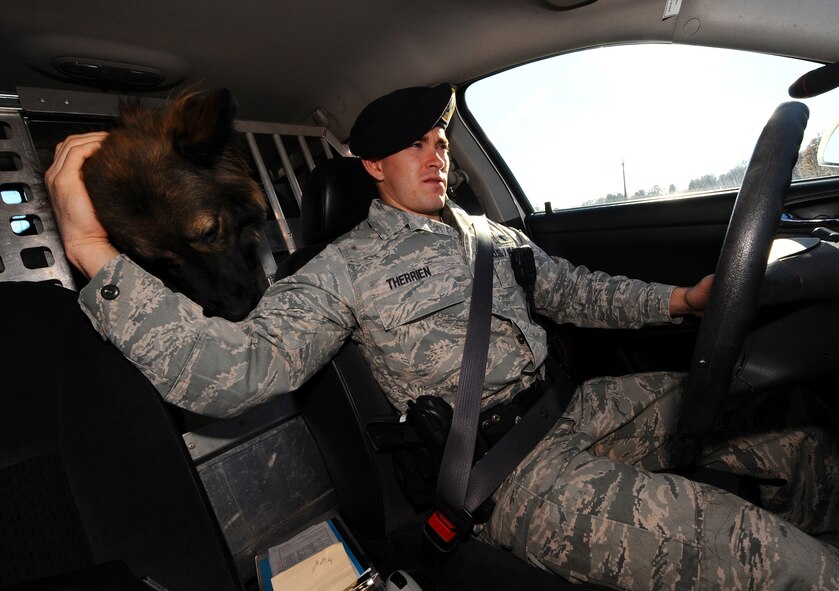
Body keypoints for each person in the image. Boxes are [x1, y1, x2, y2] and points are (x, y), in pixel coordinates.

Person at [46, 84, 838, 589]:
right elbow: (235, 369)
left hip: (578, 410)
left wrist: (680, 299)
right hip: (509, 477)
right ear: (370, 166)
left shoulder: (487, 234)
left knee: (795, 428)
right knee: (769, 558)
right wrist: (93, 254)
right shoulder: (342, 267)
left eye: (439, 141)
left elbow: (577, 290)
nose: (437, 157)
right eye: (415, 145)